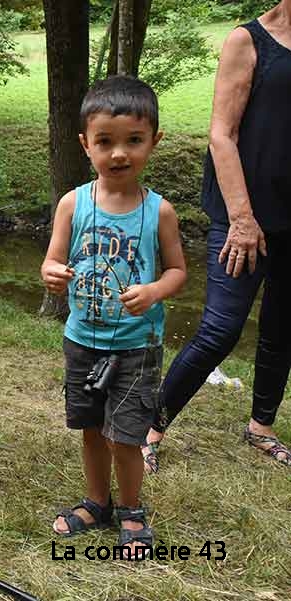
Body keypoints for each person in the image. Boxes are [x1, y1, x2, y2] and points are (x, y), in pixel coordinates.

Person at [40, 76, 186, 557]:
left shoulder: (159, 212)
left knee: (125, 435)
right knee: (89, 428)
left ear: (154, 142)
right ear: (86, 144)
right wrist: (54, 274)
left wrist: (153, 291)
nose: (119, 153)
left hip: (136, 346)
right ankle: (96, 503)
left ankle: (131, 508)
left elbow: (178, 273)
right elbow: (50, 260)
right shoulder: (72, 203)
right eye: (105, 141)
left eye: (134, 141)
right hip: (82, 340)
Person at [143, 2, 291, 472]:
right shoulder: (248, 41)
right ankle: (149, 429)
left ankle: (261, 426)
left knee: (282, 329)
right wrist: (243, 219)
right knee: (220, 331)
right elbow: (221, 135)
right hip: (243, 214)